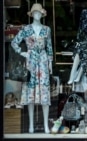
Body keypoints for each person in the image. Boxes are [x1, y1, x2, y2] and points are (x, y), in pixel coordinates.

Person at [11, 3, 53, 133]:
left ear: (42, 14)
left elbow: (49, 47)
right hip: (31, 61)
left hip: (43, 60)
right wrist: (22, 52)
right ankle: (31, 125)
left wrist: (50, 63)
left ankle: (46, 125)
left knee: (44, 93)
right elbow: (14, 42)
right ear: (31, 14)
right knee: (31, 92)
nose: (37, 15)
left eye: (39, 13)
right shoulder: (26, 29)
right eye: (35, 13)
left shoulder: (47, 29)